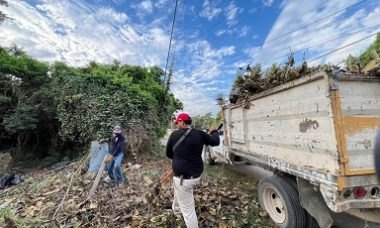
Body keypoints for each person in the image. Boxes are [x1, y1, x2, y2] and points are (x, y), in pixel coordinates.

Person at [166, 113, 220, 228]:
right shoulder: (200, 134)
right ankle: (176, 210)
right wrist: (214, 132)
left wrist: (179, 158)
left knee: (189, 212)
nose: (176, 125)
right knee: (178, 188)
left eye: (177, 123)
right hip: (195, 175)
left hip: (183, 178)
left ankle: (183, 216)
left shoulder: (174, 135)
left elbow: (169, 154)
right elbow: (216, 142)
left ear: (182, 122)